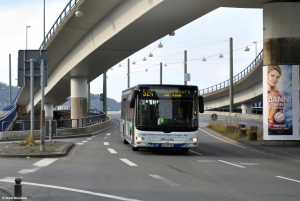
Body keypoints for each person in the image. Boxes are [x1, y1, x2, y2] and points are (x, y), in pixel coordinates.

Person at [267, 65, 283, 130]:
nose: (275, 80)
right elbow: (270, 117)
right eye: (272, 76)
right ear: (267, 75)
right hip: (273, 128)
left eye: (277, 77)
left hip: (277, 128)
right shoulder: (272, 93)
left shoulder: (275, 90)